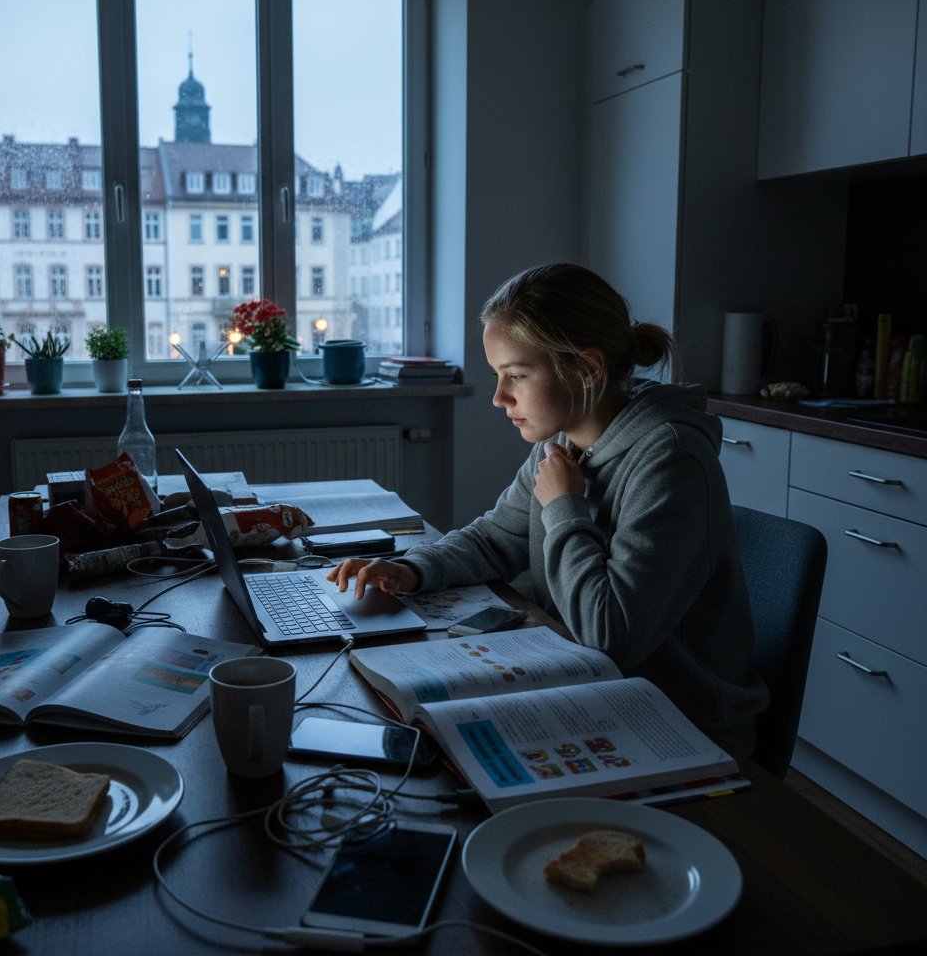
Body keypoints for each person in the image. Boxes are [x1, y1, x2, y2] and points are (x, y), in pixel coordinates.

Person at [329, 262, 768, 755]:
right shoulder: (562, 439)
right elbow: (498, 536)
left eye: (516, 375)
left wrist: (564, 504)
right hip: (590, 686)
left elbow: (610, 636)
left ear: (586, 368)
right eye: (499, 376)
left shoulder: (671, 459)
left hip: (677, 723)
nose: (498, 398)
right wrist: (412, 569)